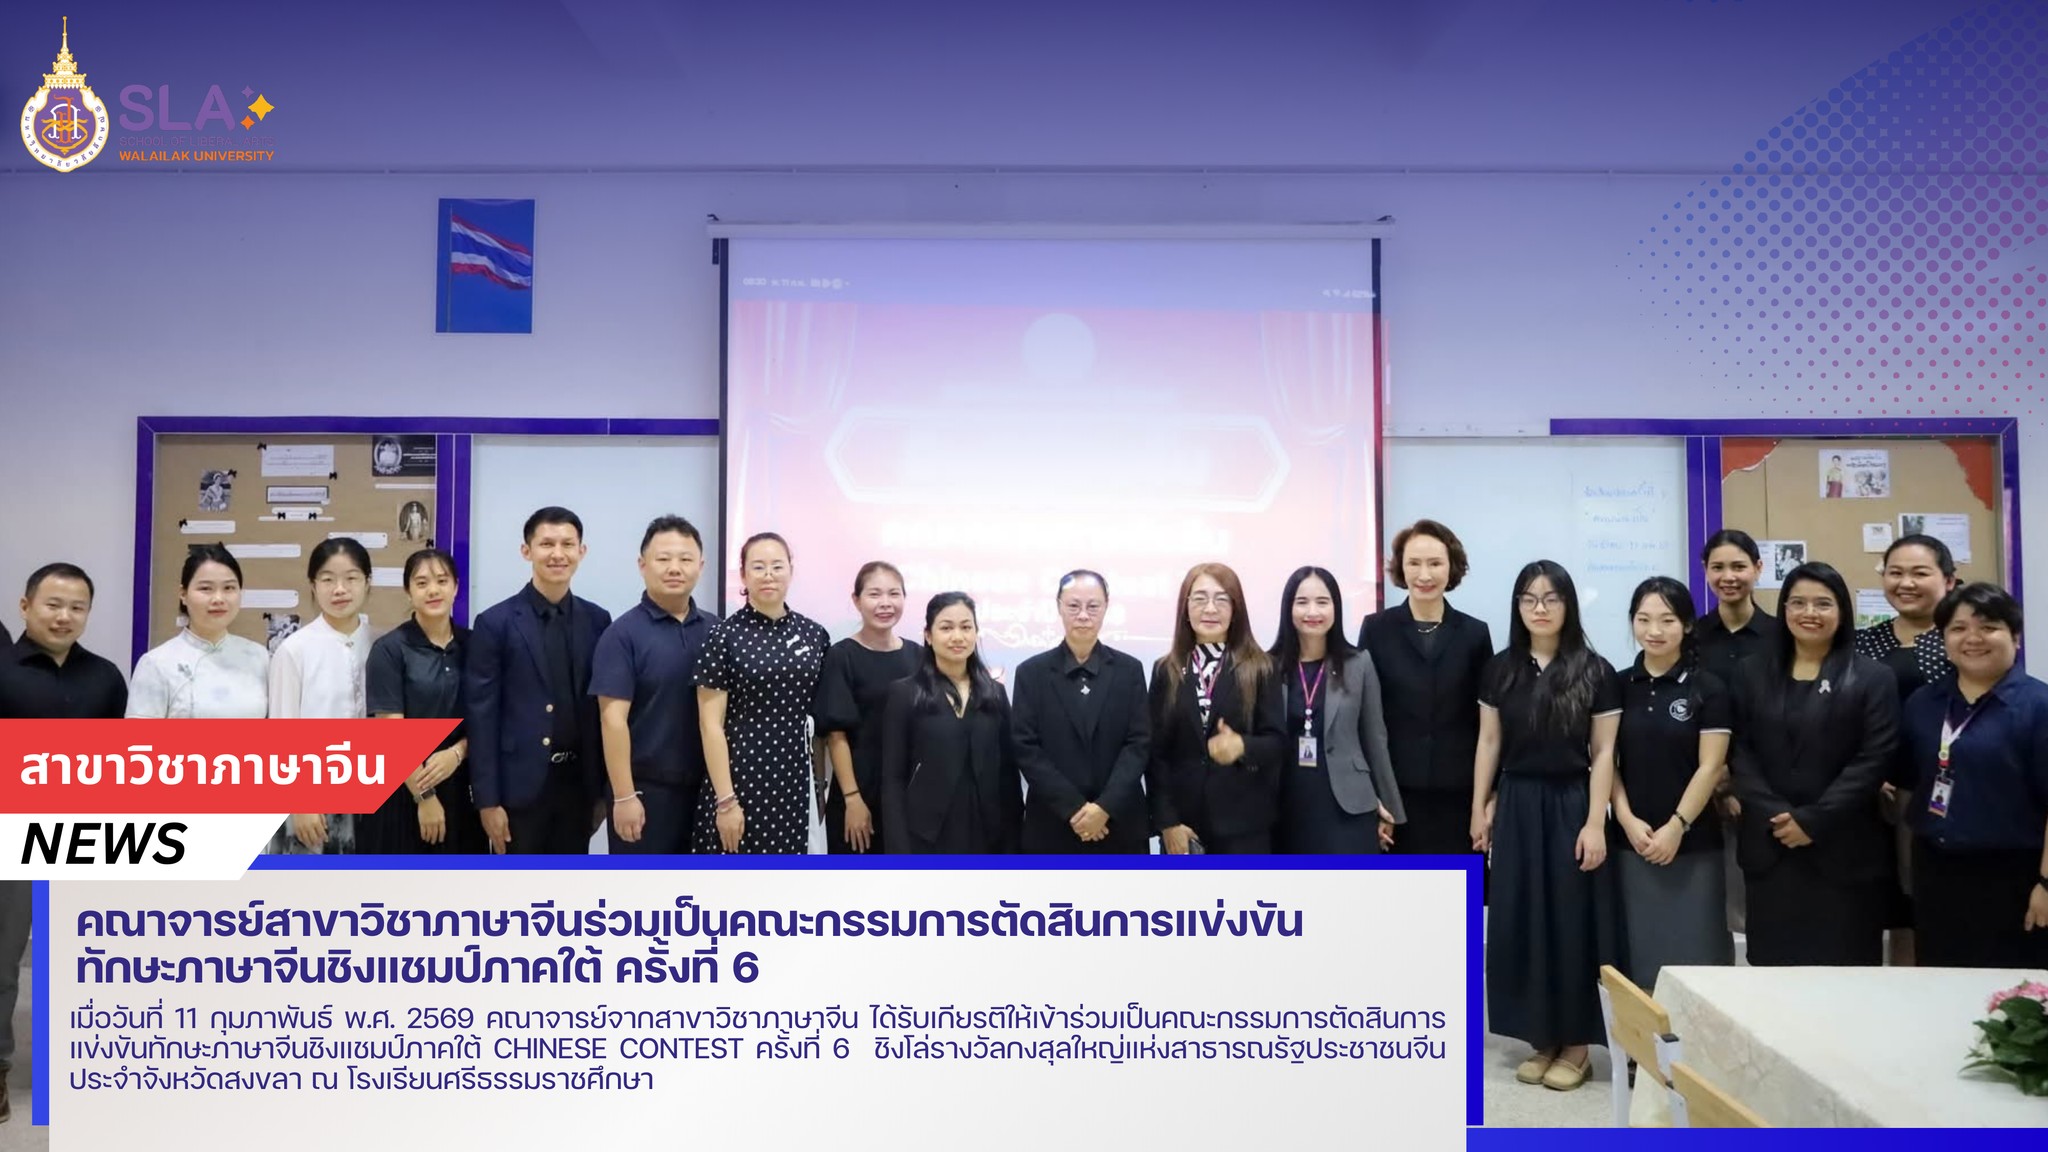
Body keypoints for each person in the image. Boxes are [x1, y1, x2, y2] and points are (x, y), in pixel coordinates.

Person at [1472, 560, 1623, 1094]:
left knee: (1570, 921)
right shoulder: (1500, 668)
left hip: (1571, 802)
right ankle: (1542, 1039)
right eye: (1529, 598)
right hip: (1516, 801)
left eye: (1551, 598)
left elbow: (1603, 753)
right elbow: (1489, 741)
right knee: (1522, 918)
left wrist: (1595, 822)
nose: (1540, 608)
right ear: (1517, 606)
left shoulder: (1595, 670)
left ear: (1568, 605)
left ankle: (1577, 1046)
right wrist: (1479, 807)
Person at [1727, 561, 1897, 967]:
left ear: (1842, 611)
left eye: (1823, 603)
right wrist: (1776, 814)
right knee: (1774, 974)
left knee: (1846, 973)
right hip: (1771, 847)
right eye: (1798, 602)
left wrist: (1814, 820)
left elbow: (1875, 757)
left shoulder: (1872, 677)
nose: (1809, 613)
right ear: (1784, 609)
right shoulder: (1750, 672)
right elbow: (1738, 750)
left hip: (1843, 848)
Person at [1899, 583, 2048, 969]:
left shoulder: (2039, 706)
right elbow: (1909, 780)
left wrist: (2046, 884)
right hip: (1936, 872)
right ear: (1944, 640)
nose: (1973, 638)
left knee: (2012, 991)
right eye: (1959, 628)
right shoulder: (1923, 703)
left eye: (1989, 627)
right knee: (1940, 981)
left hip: (2015, 874)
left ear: (2015, 636)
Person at [1609, 577, 1735, 990]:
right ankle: (1639, 1034)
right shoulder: (1617, 685)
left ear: (1687, 624)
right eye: (1643, 619)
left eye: (1667, 620)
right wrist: (1626, 819)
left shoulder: (1709, 687)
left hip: (1693, 843)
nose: (1654, 630)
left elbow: (1710, 767)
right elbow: (1606, 759)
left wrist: (1677, 826)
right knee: (1637, 958)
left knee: (1698, 960)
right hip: (1631, 842)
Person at [467, 507, 613, 855]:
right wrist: (487, 800)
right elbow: (481, 717)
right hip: (518, 791)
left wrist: (602, 791)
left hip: (578, 786)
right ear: (526, 550)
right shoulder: (495, 623)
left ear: (582, 551)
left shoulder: (598, 620)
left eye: (567, 544)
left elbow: (599, 711)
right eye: (547, 544)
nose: (558, 554)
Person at [1359, 520, 1492, 861]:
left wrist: (1485, 801)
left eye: (1435, 563)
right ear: (1400, 568)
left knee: (1459, 893)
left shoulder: (1475, 634)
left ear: (1452, 567)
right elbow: (1364, 718)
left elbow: (1487, 725)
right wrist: (1372, 797)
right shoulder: (1376, 629)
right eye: (1414, 563)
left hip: (1460, 797)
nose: (1424, 574)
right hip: (1394, 798)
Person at [1856, 533, 1959, 965]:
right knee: (1887, 906)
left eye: (1920, 573)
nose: (1906, 583)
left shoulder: (1962, 640)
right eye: (1895, 573)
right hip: (1867, 793)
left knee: (1929, 905)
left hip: (1938, 793)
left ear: (1949, 580)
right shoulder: (1864, 642)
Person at [695, 532, 830, 854]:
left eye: (777, 566)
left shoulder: (814, 635)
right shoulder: (723, 636)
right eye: (758, 567)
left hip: (796, 779)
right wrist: (726, 801)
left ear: (791, 571)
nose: (768, 575)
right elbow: (710, 725)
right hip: (740, 778)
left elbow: (822, 720)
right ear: (743, 574)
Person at [591, 516, 717, 855]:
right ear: (642, 565)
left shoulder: (716, 631)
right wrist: (624, 795)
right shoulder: (622, 635)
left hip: (706, 791)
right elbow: (612, 720)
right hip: (645, 793)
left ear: (701, 566)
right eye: (663, 559)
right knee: (643, 887)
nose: (675, 568)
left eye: (685, 559)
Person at [1148, 563, 1287, 854]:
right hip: (1184, 828)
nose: (1210, 609)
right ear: (1185, 607)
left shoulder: (1261, 668)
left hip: (1245, 827)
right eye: (1200, 598)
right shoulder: (1166, 670)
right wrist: (1168, 823)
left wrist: (1242, 746)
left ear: (1236, 609)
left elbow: (1277, 744)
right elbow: (1155, 754)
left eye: (1221, 599)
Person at [1011, 570, 1151, 853]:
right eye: (1074, 606)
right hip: (1053, 824)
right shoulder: (1031, 673)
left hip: (1119, 822)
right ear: (1059, 607)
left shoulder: (1130, 670)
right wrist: (1074, 808)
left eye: (1093, 606)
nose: (1083, 615)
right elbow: (1026, 747)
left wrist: (1104, 808)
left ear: (1106, 607)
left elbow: (1139, 743)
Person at [1269, 566, 1404, 853]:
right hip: (1285, 802)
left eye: (1322, 602)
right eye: (1302, 602)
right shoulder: (1268, 666)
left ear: (1336, 608)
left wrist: (1389, 806)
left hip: (1348, 805)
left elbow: (1375, 739)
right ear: (1288, 608)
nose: (1312, 611)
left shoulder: (1359, 663)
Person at [879, 592, 1022, 853]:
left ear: (976, 633)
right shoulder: (905, 693)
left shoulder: (995, 693)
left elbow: (1009, 775)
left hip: (988, 834)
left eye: (966, 627)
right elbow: (893, 779)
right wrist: (899, 851)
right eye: (946, 628)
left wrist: (1013, 842)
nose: (958, 636)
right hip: (926, 835)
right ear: (928, 635)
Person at [363, 548, 477, 854]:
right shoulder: (390, 649)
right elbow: (390, 732)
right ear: (408, 591)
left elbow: (488, 718)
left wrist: (457, 752)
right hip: (405, 790)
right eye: (422, 583)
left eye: (442, 580)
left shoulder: (475, 646)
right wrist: (424, 796)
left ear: (456, 586)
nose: (433, 590)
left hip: (462, 788)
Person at [268, 537, 378, 856]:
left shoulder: (382, 644)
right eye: (328, 580)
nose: (339, 589)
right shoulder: (294, 650)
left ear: (368, 582)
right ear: (313, 586)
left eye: (351, 578)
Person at [813, 561, 921, 854]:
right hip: (859, 794)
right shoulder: (841, 656)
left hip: (909, 796)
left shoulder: (919, 656)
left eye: (894, 594)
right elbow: (836, 735)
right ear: (856, 600)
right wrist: (852, 798)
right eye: (875, 594)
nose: (885, 603)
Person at [128, 545, 269, 720]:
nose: (218, 599)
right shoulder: (156, 664)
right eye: (206, 588)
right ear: (183, 594)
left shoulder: (259, 657)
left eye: (229, 588)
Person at [0, 563, 128, 721]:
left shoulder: (107, 676)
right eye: (53, 606)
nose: (64, 618)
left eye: (76, 608)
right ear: (25, 607)